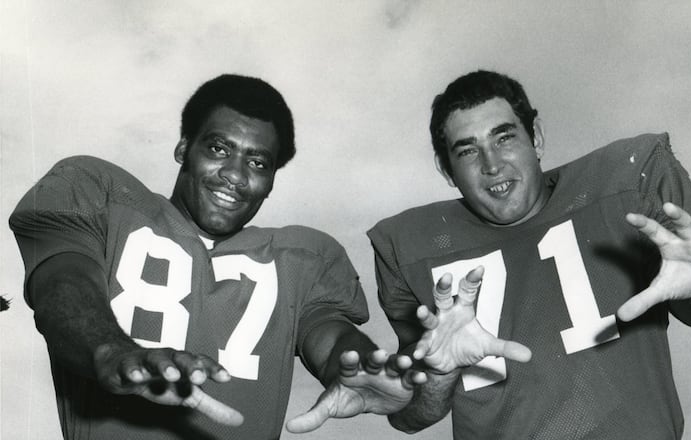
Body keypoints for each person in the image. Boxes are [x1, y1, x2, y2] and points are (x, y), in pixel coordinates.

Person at [9, 73, 425, 440]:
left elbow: (327, 331)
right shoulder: (100, 193)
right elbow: (62, 280)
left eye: (258, 162)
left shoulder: (301, 256)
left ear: (271, 182)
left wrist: (354, 366)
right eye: (220, 149)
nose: (236, 175)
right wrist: (110, 349)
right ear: (183, 148)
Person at [367, 70, 691, 439]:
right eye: (468, 151)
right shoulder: (411, 250)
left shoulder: (628, 189)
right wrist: (439, 375)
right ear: (446, 170)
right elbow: (409, 416)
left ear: (536, 138)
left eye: (504, 137)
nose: (492, 164)